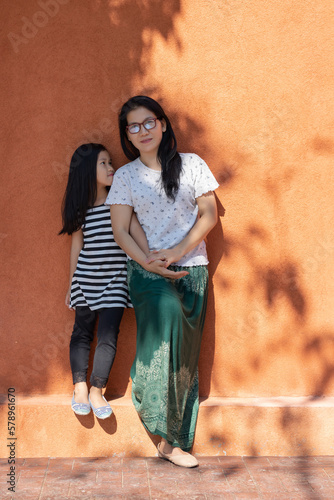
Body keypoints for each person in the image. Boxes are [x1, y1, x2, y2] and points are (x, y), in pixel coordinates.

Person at [106, 96, 219, 466]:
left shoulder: (192, 165)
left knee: (184, 353)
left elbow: (209, 215)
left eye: (148, 122)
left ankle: (171, 433)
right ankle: (167, 440)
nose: (142, 131)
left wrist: (176, 250)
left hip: (192, 268)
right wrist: (151, 263)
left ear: (163, 124)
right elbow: (121, 231)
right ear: (127, 134)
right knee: (167, 317)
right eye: (133, 126)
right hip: (146, 270)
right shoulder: (125, 176)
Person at [59, 143, 149, 419]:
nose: (111, 168)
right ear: (88, 171)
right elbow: (77, 247)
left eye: (111, 162)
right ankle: (80, 387)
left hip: (115, 281)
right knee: (81, 334)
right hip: (85, 280)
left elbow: (135, 234)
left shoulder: (119, 202)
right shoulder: (81, 210)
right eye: (104, 163)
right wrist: (71, 283)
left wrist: (150, 260)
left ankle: (98, 389)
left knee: (108, 336)